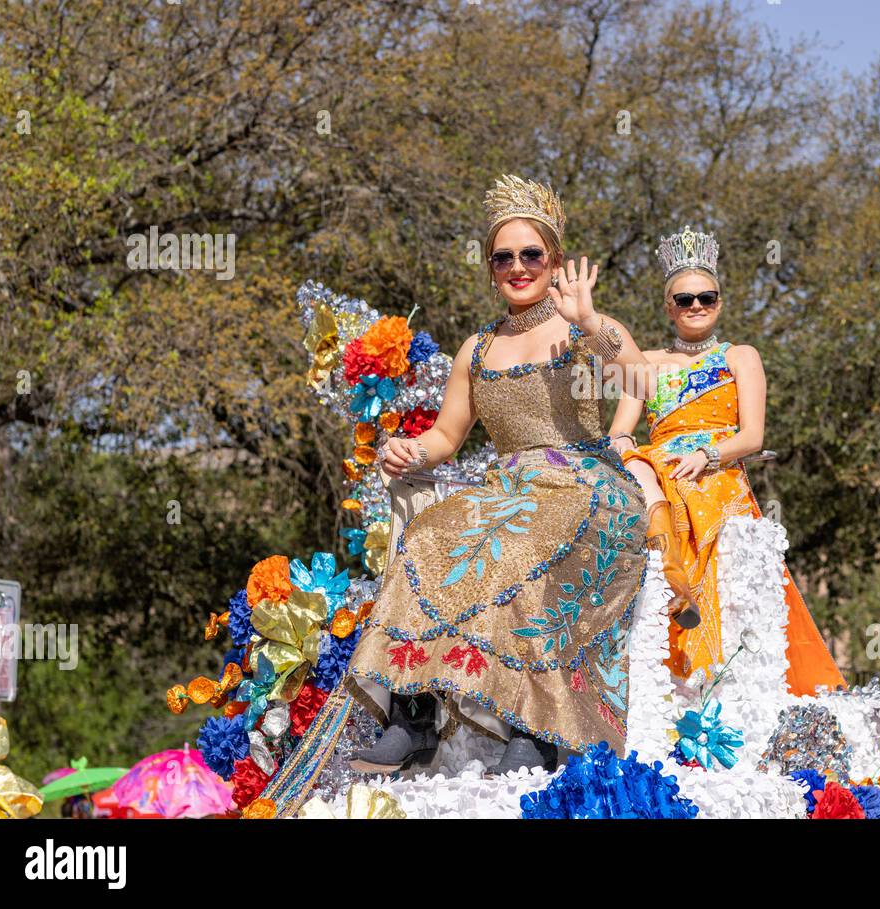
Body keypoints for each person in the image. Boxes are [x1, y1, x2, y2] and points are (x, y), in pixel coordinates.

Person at [343, 175, 656, 775]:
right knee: (430, 536)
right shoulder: (477, 348)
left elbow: (642, 384)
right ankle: (412, 719)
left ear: (556, 262)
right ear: (490, 268)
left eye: (531, 255)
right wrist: (412, 451)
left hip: (584, 482)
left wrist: (590, 322)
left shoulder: (581, 326)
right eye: (504, 257)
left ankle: (532, 728)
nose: (518, 267)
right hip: (508, 485)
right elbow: (447, 435)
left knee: (521, 544)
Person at [607, 225, 846, 695]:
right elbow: (620, 428)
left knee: (694, 499)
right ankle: (671, 596)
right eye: (684, 299)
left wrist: (706, 454)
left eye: (706, 297)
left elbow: (753, 436)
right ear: (668, 307)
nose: (696, 305)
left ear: (719, 302)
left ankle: (711, 669)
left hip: (716, 472)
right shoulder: (647, 361)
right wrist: (624, 451)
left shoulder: (741, 356)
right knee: (634, 483)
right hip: (657, 470)